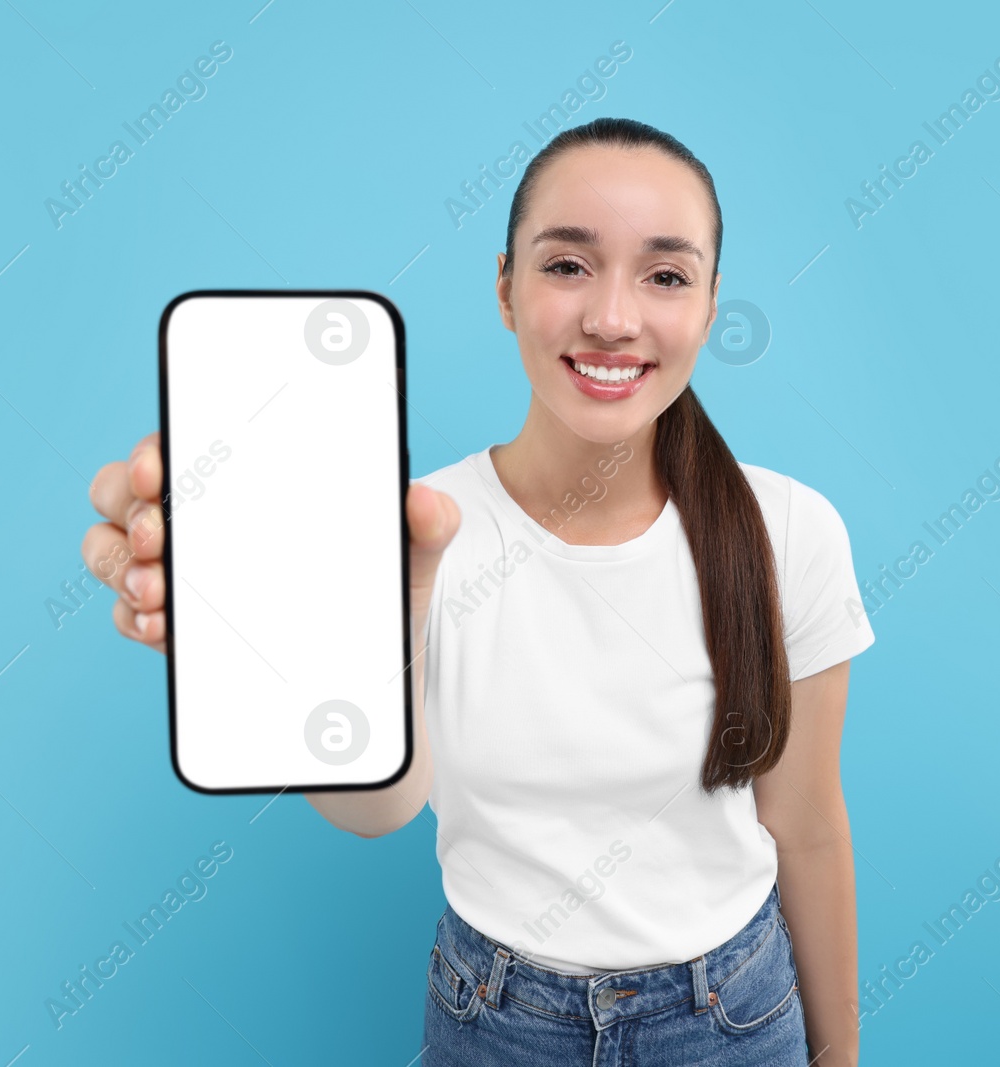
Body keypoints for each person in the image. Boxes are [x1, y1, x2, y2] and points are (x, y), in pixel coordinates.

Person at [83, 116, 875, 1066]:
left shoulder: (790, 530)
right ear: (505, 287)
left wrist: (840, 1057)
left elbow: (809, 828)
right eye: (567, 265)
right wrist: (274, 664)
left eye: (665, 275)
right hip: (495, 1023)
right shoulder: (421, 528)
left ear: (709, 307)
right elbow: (379, 810)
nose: (613, 316)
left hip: (734, 1019)